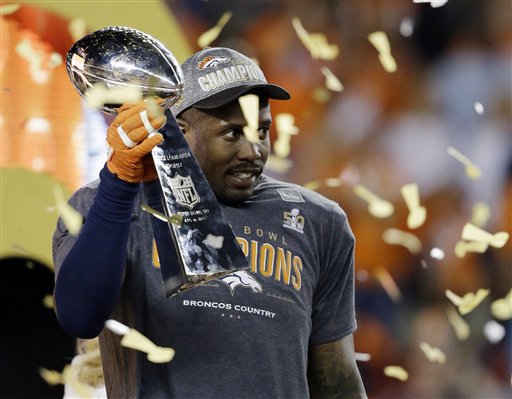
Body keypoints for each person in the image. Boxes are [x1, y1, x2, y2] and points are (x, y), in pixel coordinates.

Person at [53, 47, 367, 398]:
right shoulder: (108, 202)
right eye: (233, 134)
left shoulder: (318, 220)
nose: (254, 151)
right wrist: (119, 185)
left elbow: (337, 378)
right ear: (182, 131)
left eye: (261, 130)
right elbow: (80, 315)